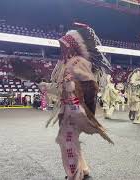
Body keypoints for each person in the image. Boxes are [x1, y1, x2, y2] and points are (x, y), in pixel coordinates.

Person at [49, 23, 113, 180]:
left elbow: (91, 88)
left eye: (64, 46)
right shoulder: (64, 63)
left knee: (68, 141)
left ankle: (77, 173)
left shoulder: (79, 64)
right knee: (70, 141)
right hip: (67, 108)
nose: (62, 49)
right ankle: (82, 171)